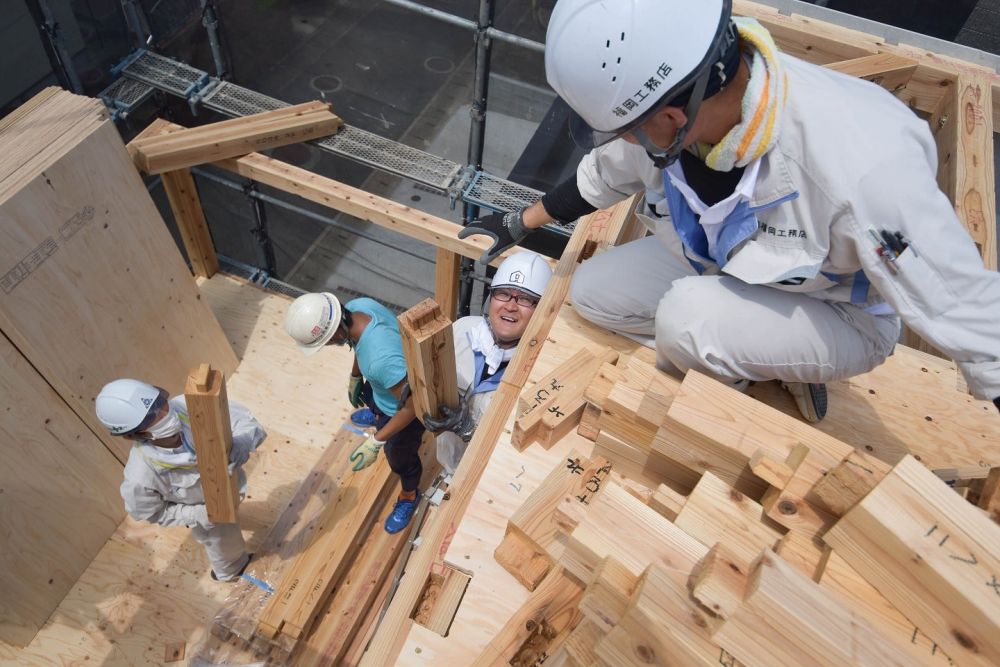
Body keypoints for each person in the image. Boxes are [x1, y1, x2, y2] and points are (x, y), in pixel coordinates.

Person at [460, 0, 1000, 421]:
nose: (624, 140)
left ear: (674, 115)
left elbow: (969, 313)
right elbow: (600, 178)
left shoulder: (862, 168)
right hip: (723, 263)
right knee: (591, 293)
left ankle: (748, 377)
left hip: (838, 311)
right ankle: (747, 353)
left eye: (627, 128)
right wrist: (513, 225)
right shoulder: (677, 109)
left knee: (685, 322)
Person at [95, 378, 266, 582]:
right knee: (224, 544)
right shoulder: (141, 476)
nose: (164, 414)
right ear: (133, 435)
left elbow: (246, 422)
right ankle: (231, 572)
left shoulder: (191, 406)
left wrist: (243, 441)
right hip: (209, 511)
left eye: (160, 404)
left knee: (232, 513)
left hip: (231, 484)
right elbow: (151, 511)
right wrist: (197, 514)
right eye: (151, 418)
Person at [284, 292, 426, 533]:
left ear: (337, 329)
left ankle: (409, 495)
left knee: (399, 457)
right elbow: (360, 346)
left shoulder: (381, 361)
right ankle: (378, 415)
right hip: (386, 390)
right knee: (369, 396)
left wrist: (377, 441)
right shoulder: (357, 307)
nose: (329, 346)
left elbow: (415, 407)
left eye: (327, 342)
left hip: (402, 413)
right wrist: (355, 376)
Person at [423, 252, 553, 474]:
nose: (511, 306)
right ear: (490, 298)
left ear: (541, 311)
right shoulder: (463, 330)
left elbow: (517, 454)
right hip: (447, 462)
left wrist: (467, 429)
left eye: (525, 299)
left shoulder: (537, 377)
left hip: (484, 480)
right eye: (503, 294)